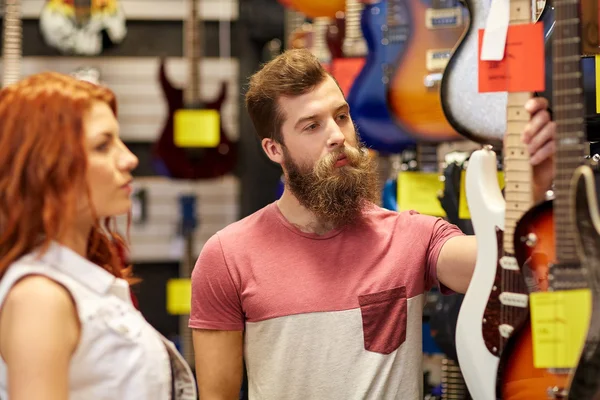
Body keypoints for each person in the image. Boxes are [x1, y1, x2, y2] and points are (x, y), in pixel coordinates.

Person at [189, 49, 556, 399]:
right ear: (274, 150)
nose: (336, 135)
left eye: (342, 116)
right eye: (312, 126)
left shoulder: (411, 237)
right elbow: (217, 395)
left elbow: (497, 261)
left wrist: (533, 187)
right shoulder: (227, 256)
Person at [0, 72, 197, 400]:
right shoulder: (40, 297)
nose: (129, 158)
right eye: (103, 145)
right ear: (47, 163)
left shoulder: (75, 281)